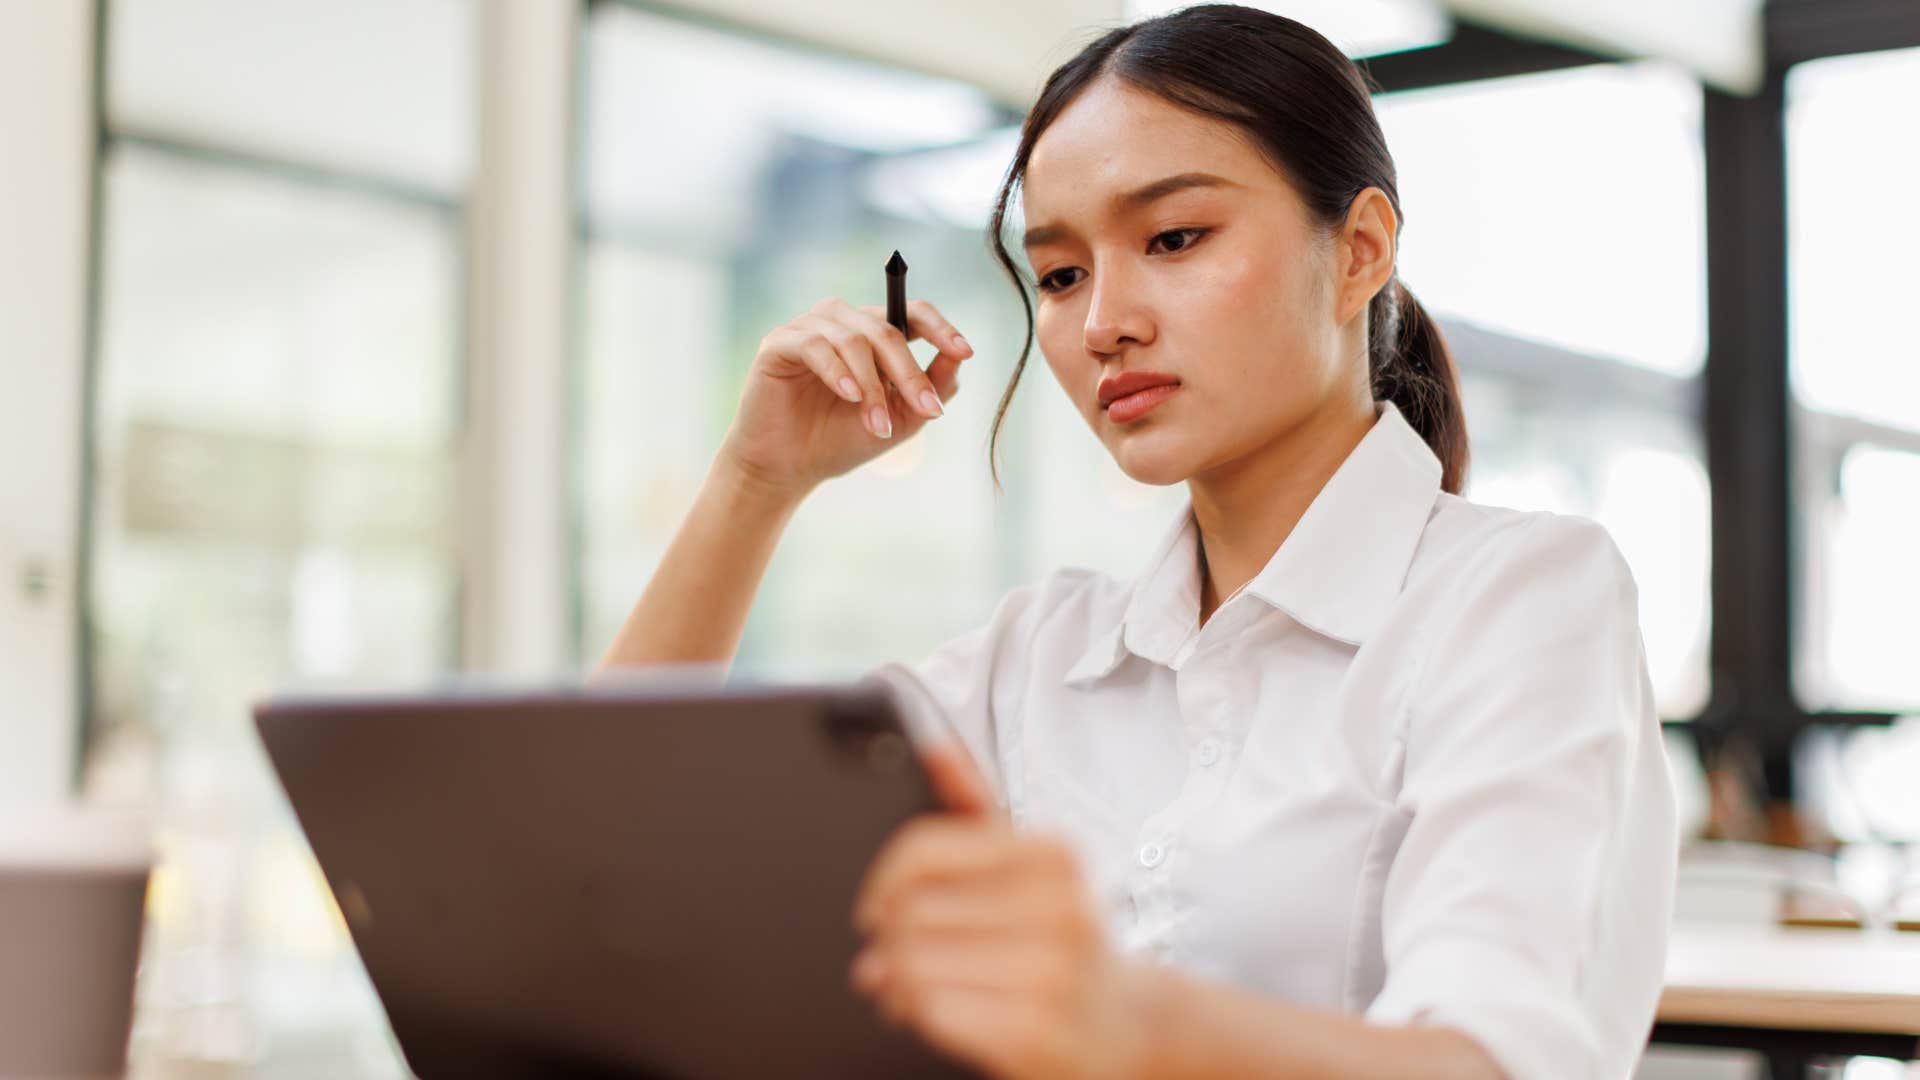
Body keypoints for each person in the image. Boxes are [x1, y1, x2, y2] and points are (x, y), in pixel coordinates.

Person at [596, 5, 1677, 1078]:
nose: (1103, 320)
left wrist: (1125, 1022)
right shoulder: (1038, 660)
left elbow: (1503, 1064)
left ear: (1358, 254)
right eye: (1061, 275)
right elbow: (612, 855)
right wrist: (755, 484)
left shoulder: (1523, 599)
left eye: (1173, 238)